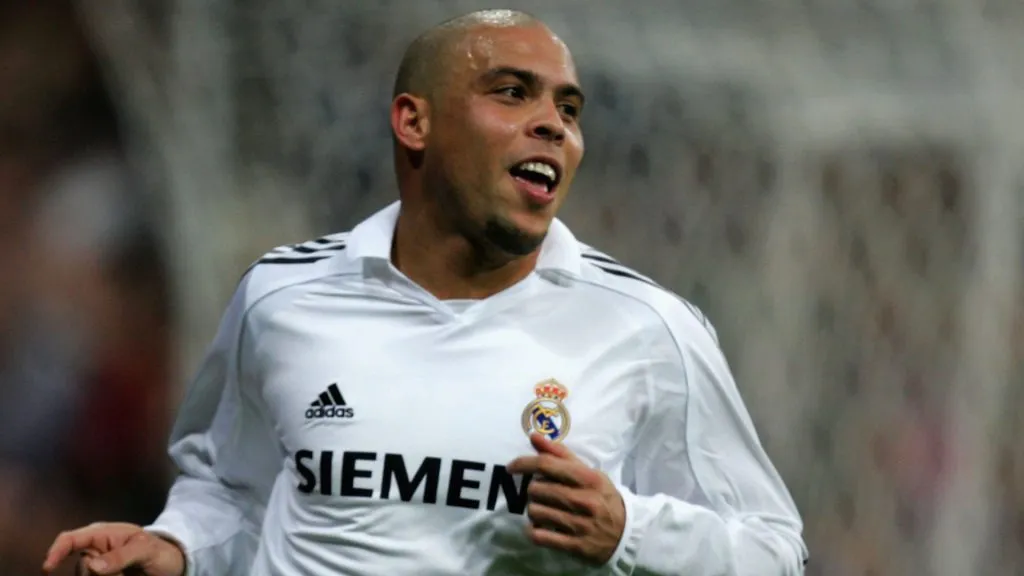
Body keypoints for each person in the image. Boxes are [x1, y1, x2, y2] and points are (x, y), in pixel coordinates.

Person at [42, 9, 808, 576]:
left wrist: (629, 530)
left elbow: (772, 551)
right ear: (414, 121)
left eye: (568, 110)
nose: (552, 125)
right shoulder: (283, 299)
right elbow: (235, 492)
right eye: (514, 93)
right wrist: (175, 546)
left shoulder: (649, 330)